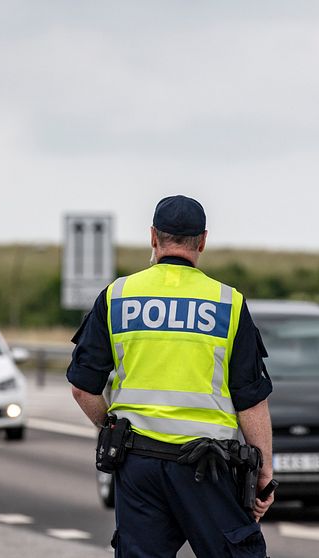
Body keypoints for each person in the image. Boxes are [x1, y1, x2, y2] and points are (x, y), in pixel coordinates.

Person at [67, 195, 275, 558]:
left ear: (153, 237)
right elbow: (250, 400)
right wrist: (264, 474)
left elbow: (82, 388)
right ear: (203, 241)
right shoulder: (228, 303)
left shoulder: (118, 296)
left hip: (139, 464)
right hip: (206, 468)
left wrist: (112, 428)